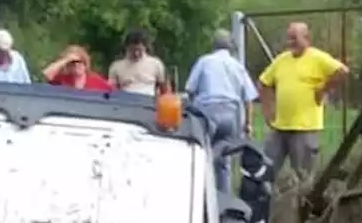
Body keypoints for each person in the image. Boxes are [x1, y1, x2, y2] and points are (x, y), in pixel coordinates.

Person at [258, 22, 349, 181]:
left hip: (304, 129)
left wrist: (323, 89)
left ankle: (299, 205)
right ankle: (265, 203)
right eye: (289, 38)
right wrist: (267, 110)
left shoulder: (317, 57)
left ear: (306, 39)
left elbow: (342, 72)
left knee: (303, 177)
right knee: (265, 170)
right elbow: (264, 83)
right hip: (280, 128)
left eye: (294, 38)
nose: (290, 42)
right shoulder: (282, 60)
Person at [185, 30, 259, 191]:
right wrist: (248, 124)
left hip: (207, 112)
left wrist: (192, 110)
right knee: (224, 160)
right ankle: (223, 200)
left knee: (204, 155)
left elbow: (190, 89)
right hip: (230, 115)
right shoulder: (237, 65)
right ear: (230, 47)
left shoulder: (204, 61)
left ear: (214, 45)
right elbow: (249, 98)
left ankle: (202, 196)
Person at [108, 29, 169, 96]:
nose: (136, 54)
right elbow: (111, 90)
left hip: (148, 101)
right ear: (126, 48)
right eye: (132, 50)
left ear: (145, 47)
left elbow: (164, 89)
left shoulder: (156, 64)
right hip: (125, 102)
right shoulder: (116, 66)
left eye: (139, 50)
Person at [43, 46, 114, 91]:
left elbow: (115, 95)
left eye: (79, 62)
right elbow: (46, 75)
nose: (76, 65)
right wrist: (65, 60)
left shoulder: (96, 81)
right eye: (73, 63)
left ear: (85, 63)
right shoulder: (63, 79)